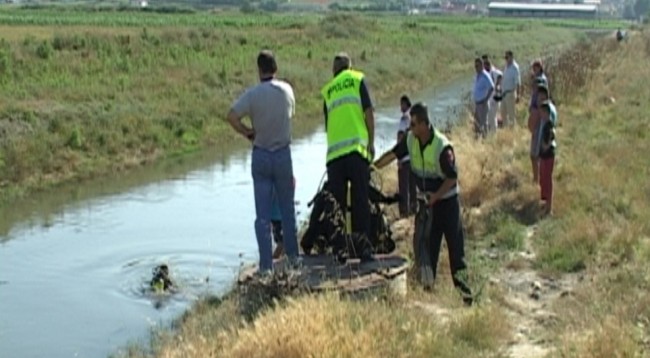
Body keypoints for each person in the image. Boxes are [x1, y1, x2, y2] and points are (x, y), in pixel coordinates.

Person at [373, 102, 472, 305]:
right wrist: (372, 167)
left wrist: (435, 197)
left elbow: (452, 178)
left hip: (447, 205)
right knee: (426, 250)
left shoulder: (442, 147)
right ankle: (428, 297)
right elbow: (392, 155)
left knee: (456, 252)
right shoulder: (411, 140)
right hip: (429, 207)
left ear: (425, 124)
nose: (411, 127)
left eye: (414, 123)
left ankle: (466, 299)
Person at [227, 50, 300, 273]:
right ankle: (293, 259)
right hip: (282, 154)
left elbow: (231, 115)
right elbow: (291, 114)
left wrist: (248, 132)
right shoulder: (287, 90)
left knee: (262, 217)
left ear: (259, 70)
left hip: (261, 154)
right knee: (287, 210)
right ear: (276, 69)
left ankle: (265, 266)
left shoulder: (253, 94)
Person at [321, 52, 375, 261]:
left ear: (333, 72)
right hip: (355, 152)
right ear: (350, 67)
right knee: (361, 200)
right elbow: (369, 112)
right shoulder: (357, 79)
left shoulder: (328, 91)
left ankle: (340, 250)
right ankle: (364, 249)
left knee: (337, 205)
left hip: (334, 156)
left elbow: (328, 126)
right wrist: (370, 142)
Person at [528, 60, 548, 183]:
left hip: (539, 121)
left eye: (536, 68)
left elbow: (540, 104)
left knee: (536, 153)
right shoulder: (538, 81)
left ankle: (538, 179)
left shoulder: (541, 82)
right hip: (536, 120)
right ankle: (537, 178)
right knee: (534, 153)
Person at [397, 94, 417, 217]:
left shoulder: (404, 119)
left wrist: (398, 157)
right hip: (413, 157)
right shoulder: (414, 118)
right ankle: (414, 209)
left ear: (405, 104)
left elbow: (400, 137)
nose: (400, 107)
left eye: (401, 104)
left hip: (404, 157)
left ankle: (404, 211)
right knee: (413, 185)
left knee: (403, 186)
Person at [537, 101, 556, 216]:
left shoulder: (549, 125)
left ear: (546, 113)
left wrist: (545, 146)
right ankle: (544, 202)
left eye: (542, 112)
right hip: (543, 156)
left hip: (548, 156)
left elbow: (550, 140)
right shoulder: (544, 124)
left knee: (547, 180)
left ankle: (549, 206)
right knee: (543, 179)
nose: (540, 114)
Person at [473, 57, 494, 139]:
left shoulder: (485, 75)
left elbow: (492, 87)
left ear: (482, 65)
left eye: (477, 66)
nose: (476, 68)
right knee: (476, 122)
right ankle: (478, 138)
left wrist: (486, 99)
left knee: (483, 123)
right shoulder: (477, 75)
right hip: (477, 103)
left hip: (482, 103)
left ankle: (486, 139)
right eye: (475, 66)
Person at [501, 50, 521, 128]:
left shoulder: (515, 68)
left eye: (507, 57)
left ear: (511, 57)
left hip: (510, 93)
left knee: (511, 114)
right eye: (505, 57)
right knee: (503, 113)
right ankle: (505, 129)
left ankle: (513, 130)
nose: (506, 59)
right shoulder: (506, 67)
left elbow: (518, 82)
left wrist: (518, 95)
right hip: (504, 93)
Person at [482, 57, 503, 133]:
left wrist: (497, 84)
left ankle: (493, 134)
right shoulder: (485, 73)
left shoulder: (493, 71)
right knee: (490, 117)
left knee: (492, 117)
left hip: (494, 98)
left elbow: (500, 75)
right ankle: (492, 132)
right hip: (489, 98)